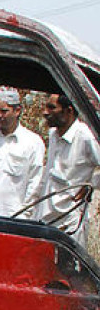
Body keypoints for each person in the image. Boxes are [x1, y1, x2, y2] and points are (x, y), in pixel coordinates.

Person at [36, 93, 100, 247]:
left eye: (52, 108)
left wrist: (90, 185)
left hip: (69, 219)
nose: (45, 112)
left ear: (68, 111)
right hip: (46, 214)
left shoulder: (85, 137)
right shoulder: (53, 134)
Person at [0, 89, 45, 218]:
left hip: (12, 217)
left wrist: (24, 216)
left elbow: (35, 183)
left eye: (4, 111)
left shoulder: (32, 143)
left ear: (17, 111)